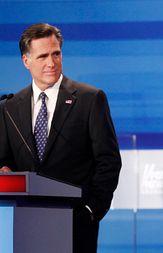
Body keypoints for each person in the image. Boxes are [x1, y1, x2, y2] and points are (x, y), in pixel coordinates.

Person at [0, 23, 122, 252]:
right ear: (26, 61)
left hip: (76, 225)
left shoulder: (89, 99)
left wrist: (92, 211)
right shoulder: (9, 107)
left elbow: (109, 161)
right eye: (43, 56)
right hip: (22, 224)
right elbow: (3, 160)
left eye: (56, 54)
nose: (51, 63)